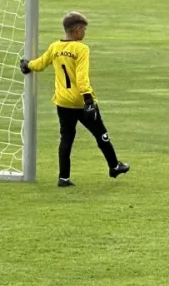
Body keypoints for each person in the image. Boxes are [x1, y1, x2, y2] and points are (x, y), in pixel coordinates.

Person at [19, 11, 130, 188]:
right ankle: (114, 166)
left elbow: (40, 63)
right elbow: (81, 77)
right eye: (84, 29)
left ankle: (63, 178)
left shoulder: (55, 47)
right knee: (101, 133)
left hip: (63, 102)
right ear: (78, 30)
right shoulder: (81, 49)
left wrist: (27, 65)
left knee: (66, 138)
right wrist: (88, 100)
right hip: (80, 102)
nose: (85, 33)